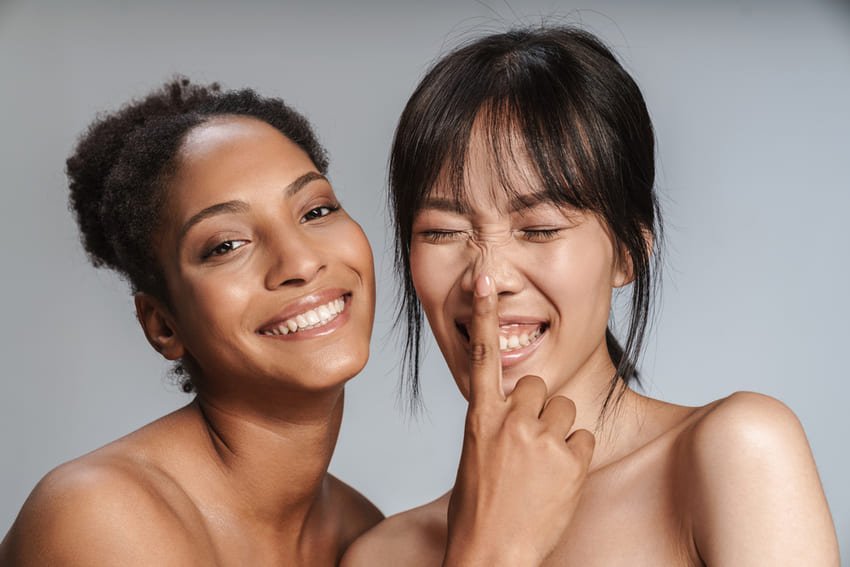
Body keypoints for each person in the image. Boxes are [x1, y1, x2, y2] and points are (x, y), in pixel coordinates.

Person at [343, 26, 841, 565]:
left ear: (627, 251)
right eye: (442, 232)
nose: (487, 280)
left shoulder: (734, 453)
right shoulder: (383, 554)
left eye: (539, 229)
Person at [0, 79, 383, 566]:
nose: (301, 263)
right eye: (226, 245)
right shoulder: (100, 515)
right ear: (163, 324)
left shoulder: (366, 535)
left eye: (316, 210)